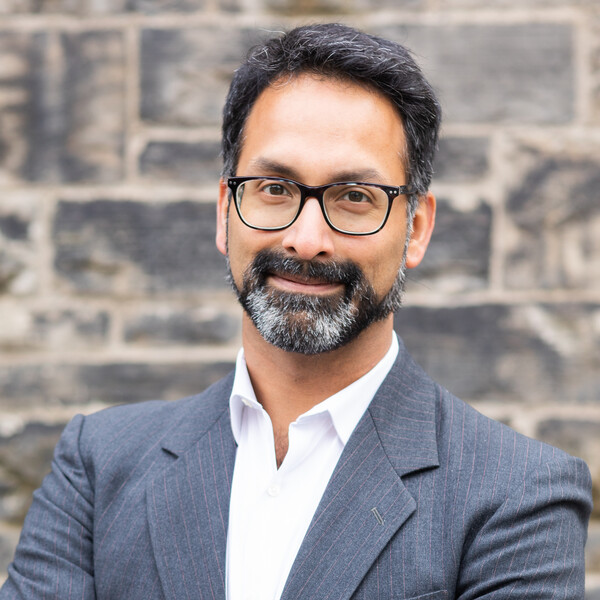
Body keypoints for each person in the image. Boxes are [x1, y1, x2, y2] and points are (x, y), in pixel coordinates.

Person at [1, 23, 592, 600]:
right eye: (275, 189)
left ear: (415, 228)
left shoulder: (519, 493)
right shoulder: (99, 465)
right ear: (224, 212)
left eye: (355, 197)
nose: (307, 239)